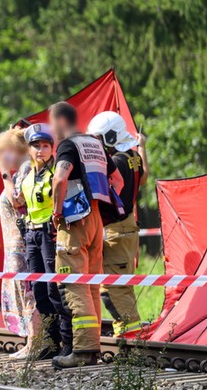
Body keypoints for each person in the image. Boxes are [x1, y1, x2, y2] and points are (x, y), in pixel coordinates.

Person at [49, 102, 124, 369]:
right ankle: (92, 349)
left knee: (73, 283)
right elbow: (118, 182)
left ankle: (81, 352)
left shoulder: (68, 146)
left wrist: (56, 212)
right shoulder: (95, 145)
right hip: (95, 220)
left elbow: (60, 179)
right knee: (91, 285)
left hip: (73, 222)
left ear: (60, 121)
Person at [87, 112, 149, 337]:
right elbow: (143, 178)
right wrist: (141, 147)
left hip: (116, 229)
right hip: (126, 226)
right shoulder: (132, 155)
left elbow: (105, 193)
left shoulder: (116, 162)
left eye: (99, 140)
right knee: (122, 286)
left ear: (110, 138)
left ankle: (130, 339)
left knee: (112, 289)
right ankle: (131, 335)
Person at [17, 123, 73, 358]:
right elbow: (20, 200)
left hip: (49, 235)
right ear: (29, 150)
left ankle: (68, 343)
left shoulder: (54, 172)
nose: (40, 150)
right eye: (36, 146)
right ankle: (50, 344)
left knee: (54, 289)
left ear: (52, 148)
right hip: (31, 234)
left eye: (45, 146)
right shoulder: (29, 173)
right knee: (39, 290)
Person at [0, 127, 37, 358]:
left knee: (27, 291)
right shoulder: (23, 168)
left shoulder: (27, 167)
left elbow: (17, 199)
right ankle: (32, 340)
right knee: (22, 290)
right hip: (14, 244)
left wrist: (4, 175)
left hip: (22, 243)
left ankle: (34, 343)